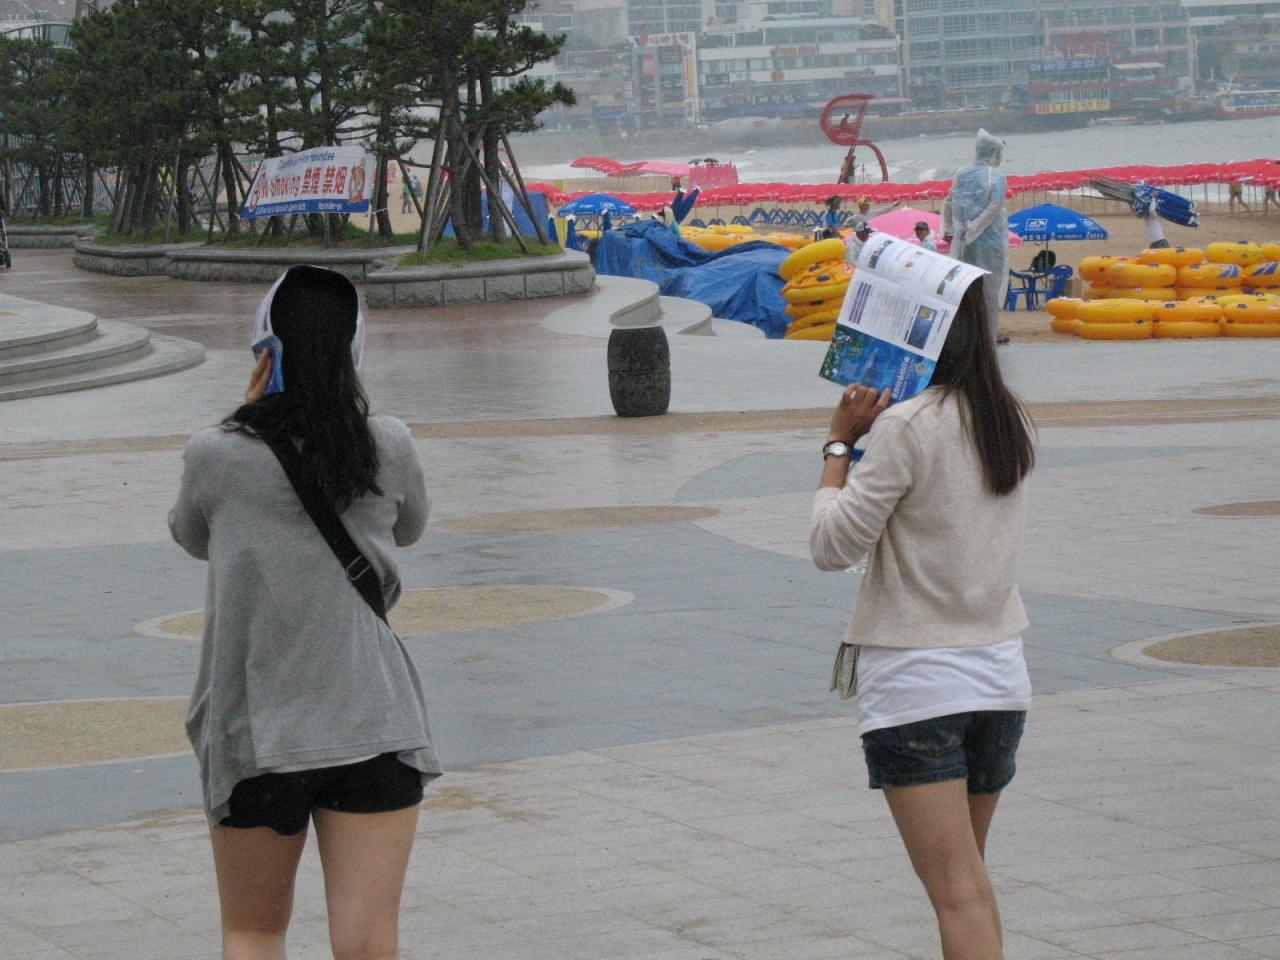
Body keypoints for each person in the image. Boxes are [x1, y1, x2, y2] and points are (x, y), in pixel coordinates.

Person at [169, 265, 443, 960]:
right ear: (355, 353)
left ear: (266, 350)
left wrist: (246, 413)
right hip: (372, 722)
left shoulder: (215, 455)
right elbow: (410, 528)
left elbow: (191, 535)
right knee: (368, 942)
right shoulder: (387, 443)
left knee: (253, 933)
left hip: (256, 733)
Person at [810, 279, 1035, 960]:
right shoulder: (1005, 417)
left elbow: (832, 545)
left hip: (919, 686)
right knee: (970, 886)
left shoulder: (908, 425)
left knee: (957, 894)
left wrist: (839, 445)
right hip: (1000, 679)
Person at [942, 130, 1010, 344]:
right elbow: (993, 207)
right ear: (994, 153)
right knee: (989, 294)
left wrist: (952, 230)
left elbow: (949, 202)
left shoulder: (961, 174)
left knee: (966, 293)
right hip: (989, 243)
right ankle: (987, 341)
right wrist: (974, 229)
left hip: (963, 244)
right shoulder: (997, 177)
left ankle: (967, 340)